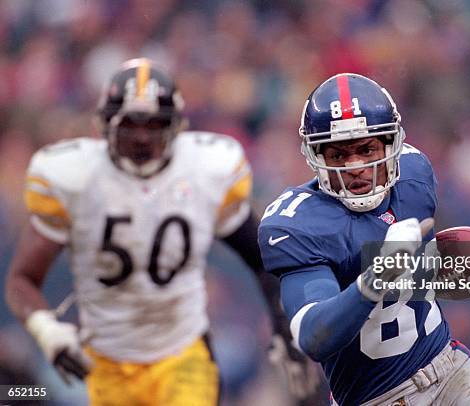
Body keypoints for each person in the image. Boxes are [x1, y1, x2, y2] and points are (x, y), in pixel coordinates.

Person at [5, 58, 317, 405]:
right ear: (105, 126)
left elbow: (264, 260)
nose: (141, 138)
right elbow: (22, 279)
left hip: (182, 354)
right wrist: (47, 332)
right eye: (131, 125)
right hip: (105, 363)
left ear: (176, 126)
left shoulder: (204, 171)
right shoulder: (75, 180)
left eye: (154, 125)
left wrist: (283, 326)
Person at [258, 73, 470, 405]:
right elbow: (314, 335)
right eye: (338, 155)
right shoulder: (299, 224)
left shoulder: (413, 178)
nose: (355, 165)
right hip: (377, 398)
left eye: (366, 149)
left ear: (391, 144)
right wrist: (377, 276)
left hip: (452, 370)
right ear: (316, 157)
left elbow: (420, 270)